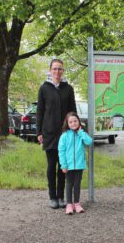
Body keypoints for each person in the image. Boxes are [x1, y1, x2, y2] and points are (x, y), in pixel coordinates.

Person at [37, 59, 77, 209]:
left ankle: (61, 197)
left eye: (60, 69)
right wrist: (39, 132)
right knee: (51, 166)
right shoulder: (44, 88)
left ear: (63, 71)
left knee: (63, 166)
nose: (57, 71)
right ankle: (52, 197)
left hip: (65, 134)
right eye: (54, 69)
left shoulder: (69, 89)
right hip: (49, 134)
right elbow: (40, 111)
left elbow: (73, 111)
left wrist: (74, 129)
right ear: (50, 70)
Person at [58, 112, 93, 215]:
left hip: (79, 165)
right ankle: (69, 204)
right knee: (69, 184)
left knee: (77, 184)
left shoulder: (81, 134)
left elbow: (89, 141)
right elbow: (61, 151)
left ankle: (77, 203)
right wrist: (63, 165)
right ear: (67, 123)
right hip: (68, 166)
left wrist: (81, 133)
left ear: (78, 122)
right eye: (70, 122)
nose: (73, 123)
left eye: (75, 121)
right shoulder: (64, 136)